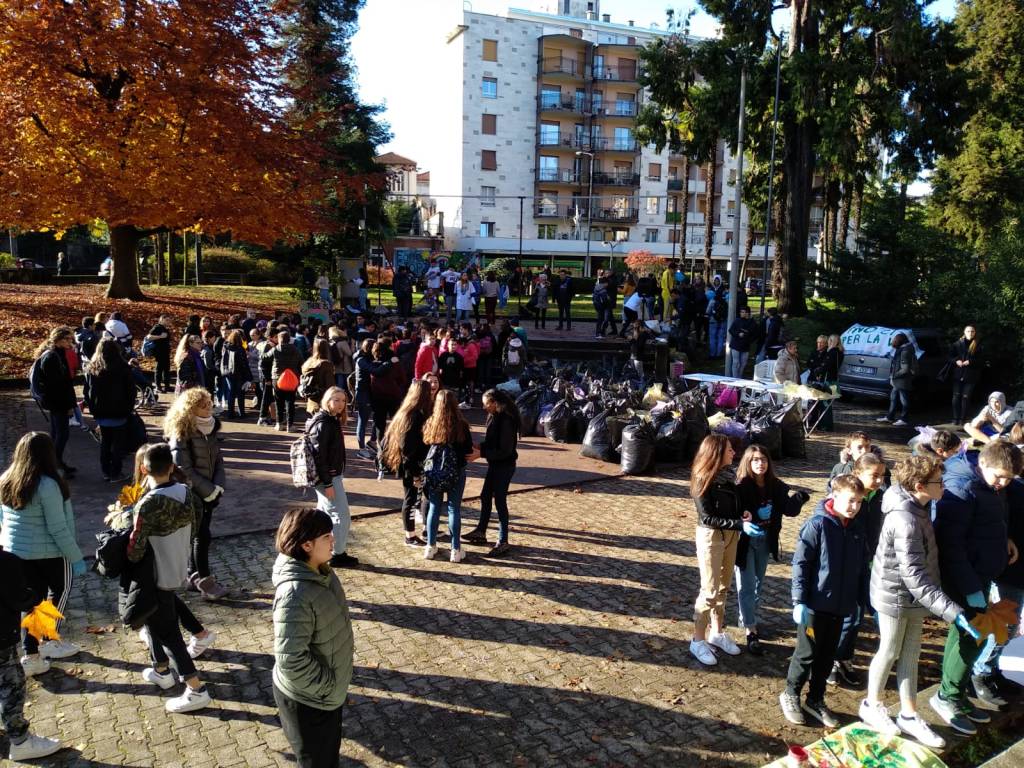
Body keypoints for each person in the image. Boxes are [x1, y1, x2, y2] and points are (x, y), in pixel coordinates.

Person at [859, 455, 977, 749]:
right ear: (920, 485)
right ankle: (871, 705)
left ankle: (909, 715)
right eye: (939, 482)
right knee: (888, 650)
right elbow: (915, 577)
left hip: (913, 598)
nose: (945, 487)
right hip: (895, 597)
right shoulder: (905, 520)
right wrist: (954, 613)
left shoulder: (919, 506)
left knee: (911, 652)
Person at [930, 440, 1015, 735]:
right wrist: (969, 588)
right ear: (983, 464)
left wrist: (1003, 540)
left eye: (1009, 478)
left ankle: (956, 690)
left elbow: (989, 522)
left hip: (981, 573)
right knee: (971, 634)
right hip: (963, 578)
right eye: (1000, 476)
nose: (1003, 483)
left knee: (968, 635)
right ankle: (946, 697)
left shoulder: (989, 487)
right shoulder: (962, 490)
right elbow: (951, 544)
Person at [125, 443, 212, 713]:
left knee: (168, 634)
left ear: (143, 469)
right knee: (157, 617)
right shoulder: (187, 493)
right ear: (172, 467)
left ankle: (196, 688)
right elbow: (197, 527)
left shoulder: (148, 504)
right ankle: (161, 669)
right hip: (178, 565)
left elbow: (135, 547)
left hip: (156, 572)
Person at [779, 475, 867, 727]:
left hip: (841, 606)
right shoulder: (817, 525)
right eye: (850, 501)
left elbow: (861, 566)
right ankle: (791, 693)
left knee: (828, 656)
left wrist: (862, 597)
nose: (854, 507)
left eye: (859, 502)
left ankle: (815, 699)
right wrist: (799, 600)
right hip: (815, 605)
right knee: (806, 654)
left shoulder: (857, 529)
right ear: (834, 496)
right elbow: (801, 563)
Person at [272, 508, 354, 768]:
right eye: (327, 536)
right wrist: (329, 686)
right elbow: (291, 659)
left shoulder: (319, 571)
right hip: (310, 700)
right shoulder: (295, 594)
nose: (334, 540)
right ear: (307, 545)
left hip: (324, 696)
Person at [0, 432, 86, 676]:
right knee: (58, 595)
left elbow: (2, 518)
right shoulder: (48, 484)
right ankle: (44, 644)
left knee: (32, 602)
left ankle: (33, 652)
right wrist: (76, 556)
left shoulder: (6, 478)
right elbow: (58, 527)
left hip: (16, 553)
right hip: (49, 554)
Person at [734, 445, 809, 655]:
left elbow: (789, 510)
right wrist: (746, 517)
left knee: (758, 584)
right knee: (746, 585)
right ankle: (751, 629)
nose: (760, 463)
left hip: (766, 540)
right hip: (745, 541)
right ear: (748, 463)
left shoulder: (775, 486)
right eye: (755, 460)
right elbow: (735, 511)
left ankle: (746, 616)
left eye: (763, 459)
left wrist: (800, 498)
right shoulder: (741, 486)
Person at [164, 388, 229, 601]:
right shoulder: (182, 431)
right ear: (191, 408)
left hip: (210, 491)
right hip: (192, 493)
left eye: (209, 402)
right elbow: (182, 468)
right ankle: (206, 582)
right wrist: (208, 491)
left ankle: (194, 576)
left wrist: (218, 486)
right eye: (203, 405)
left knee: (201, 534)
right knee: (202, 536)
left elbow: (218, 460)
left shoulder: (210, 427)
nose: (209, 407)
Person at [829, 451, 888, 687]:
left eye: (882, 476)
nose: (878, 480)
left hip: (869, 563)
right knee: (847, 616)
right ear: (857, 474)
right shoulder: (849, 502)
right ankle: (833, 659)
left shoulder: (881, 496)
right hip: (846, 565)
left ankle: (844, 658)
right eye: (874, 476)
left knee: (858, 616)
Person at [0, 544, 64, 759]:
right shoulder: (6, 562)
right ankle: (21, 742)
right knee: (11, 685)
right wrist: (36, 599)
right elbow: (19, 598)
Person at [689, 434, 745, 666]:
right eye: (729, 449)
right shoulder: (703, 478)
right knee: (710, 590)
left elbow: (733, 507)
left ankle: (717, 632)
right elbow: (708, 517)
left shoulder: (729, 477)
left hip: (732, 535)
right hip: (711, 537)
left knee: (724, 587)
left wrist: (743, 515)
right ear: (717, 452)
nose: (733, 453)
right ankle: (697, 640)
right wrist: (740, 524)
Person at [422, 389, 479, 563]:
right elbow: (468, 450)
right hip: (456, 471)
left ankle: (430, 546)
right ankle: (455, 549)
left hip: (434, 473)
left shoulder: (431, 422)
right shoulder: (461, 425)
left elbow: (425, 445)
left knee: (434, 507)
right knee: (454, 509)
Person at [463, 389, 520, 557]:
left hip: (504, 466)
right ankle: (481, 531)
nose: (484, 407)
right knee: (485, 496)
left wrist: (481, 453)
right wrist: (480, 446)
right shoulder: (493, 416)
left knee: (500, 501)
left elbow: (504, 450)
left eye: (486, 403)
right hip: (495, 464)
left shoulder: (507, 420)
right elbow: (492, 441)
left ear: (495, 403)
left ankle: (503, 540)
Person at [305, 387, 357, 568]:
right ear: (327, 400)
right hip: (328, 478)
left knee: (324, 514)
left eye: (343, 400)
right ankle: (337, 553)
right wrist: (328, 482)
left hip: (330, 476)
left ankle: (321, 549)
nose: (341, 404)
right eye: (336, 400)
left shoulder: (330, 420)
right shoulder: (324, 423)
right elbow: (320, 458)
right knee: (341, 516)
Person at [381, 380, 433, 547]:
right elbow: (407, 447)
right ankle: (409, 536)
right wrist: (415, 473)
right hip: (411, 465)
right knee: (410, 500)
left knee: (414, 498)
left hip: (412, 463)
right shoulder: (414, 415)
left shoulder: (409, 412)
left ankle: (417, 532)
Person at [84, 337, 137, 483]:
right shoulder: (123, 368)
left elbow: (87, 392)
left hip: (101, 412)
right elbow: (131, 391)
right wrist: (129, 407)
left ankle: (106, 471)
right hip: (120, 411)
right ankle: (116, 472)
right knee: (118, 444)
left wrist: (93, 409)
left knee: (105, 442)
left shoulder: (92, 368)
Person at [31, 327, 78, 475]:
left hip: (57, 401)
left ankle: (55, 462)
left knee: (56, 433)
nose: (71, 342)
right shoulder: (52, 357)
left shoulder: (59, 353)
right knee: (61, 434)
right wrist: (68, 406)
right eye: (68, 339)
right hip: (57, 402)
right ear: (59, 340)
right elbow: (57, 386)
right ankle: (55, 465)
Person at [369, 341, 407, 448]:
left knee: (379, 424)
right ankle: (396, 444)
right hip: (393, 395)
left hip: (377, 397)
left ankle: (380, 445)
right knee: (396, 420)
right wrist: (395, 385)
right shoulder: (395, 362)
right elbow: (403, 379)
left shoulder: (371, 363)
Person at [264, 330, 303, 432]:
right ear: (289, 339)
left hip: (277, 378)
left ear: (280, 339)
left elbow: (264, 357)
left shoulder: (275, 349)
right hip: (292, 378)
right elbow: (301, 363)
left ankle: (279, 424)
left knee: (278, 402)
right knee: (290, 402)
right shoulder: (296, 350)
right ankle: (290, 425)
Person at [877, 332, 915, 427]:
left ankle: (904, 419)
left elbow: (905, 369)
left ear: (899, 341)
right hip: (898, 380)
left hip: (902, 380)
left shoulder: (905, 351)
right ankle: (890, 417)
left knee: (904, 400)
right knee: (893, 398)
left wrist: (894, 375)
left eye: (894, 339)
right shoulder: (902, 349)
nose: (893, 341)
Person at [950, 325, 981, 425]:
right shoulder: (957, 344)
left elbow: (982, 359)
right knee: (956, 396)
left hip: (971, 375)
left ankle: (963, 419)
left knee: (965, 397)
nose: (970, 333)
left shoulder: (978, 345)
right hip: (958, 374)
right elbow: (950, 356)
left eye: (972, 331)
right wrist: (956, 361)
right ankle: (955, 418)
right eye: (968, 331)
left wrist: (970, 362)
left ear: (975, 333)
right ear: (964, 332)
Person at [220, 329, 253, 419]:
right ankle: (241, 413)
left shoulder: (225, 346)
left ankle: (231, 413)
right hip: (239, 373)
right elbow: (244, 364)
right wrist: (248, 376)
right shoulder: (240, 349)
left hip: (228, 372)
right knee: (240, 394)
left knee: (231, 392)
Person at [300, 339, 336, 416]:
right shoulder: (326, 364)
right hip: (323, 401)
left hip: (311, 400)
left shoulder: (309, 362)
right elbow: (330, 386)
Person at [727, 306, 758, 378]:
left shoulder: (752, 323)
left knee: (743, 363)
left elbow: (755, 334)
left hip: (745, 346)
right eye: (741, 312)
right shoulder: (737, 320)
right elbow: (731, 330)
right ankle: (734, 378)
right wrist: (738, 334)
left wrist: (749, 340)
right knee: (736, 362)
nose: (741, 313)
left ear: (748, 313)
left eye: (743, 312)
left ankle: (739, 377)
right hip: (736, 344)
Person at [146, 314, 173, 393]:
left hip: (165, 351)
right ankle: (158, 386)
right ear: (161, 320)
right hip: (159, 352)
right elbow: (148, 337)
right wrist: (160, 336)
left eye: (169, 320)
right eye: (166, 320)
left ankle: (167, 386)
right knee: (159, 369)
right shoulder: (157, 327)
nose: (168, 322)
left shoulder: (164, 328)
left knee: (166, 369)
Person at [328, 326, 355, 392]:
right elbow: (349, 353)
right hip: (345, 365)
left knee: (339, 381)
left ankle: (338, 393)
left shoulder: (332, 341)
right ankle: (343, 394)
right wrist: (353, 346)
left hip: (336, 364)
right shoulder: (342, 342)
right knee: (346, 382)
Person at [706, 291, 728, 359]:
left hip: (713, 321)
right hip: (722, 321)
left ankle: (712, 354)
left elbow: (708, 311)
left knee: (712, 338)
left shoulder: (712, 301)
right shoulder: (725, 301)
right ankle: (719, 354)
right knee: (720, 338)